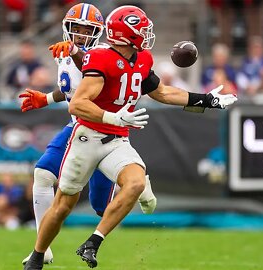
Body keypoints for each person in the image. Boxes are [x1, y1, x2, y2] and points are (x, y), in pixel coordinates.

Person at [23, 5, 237, 269]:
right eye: (142, 29)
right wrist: (52, 96)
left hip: (116, 138)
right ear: (127, 34)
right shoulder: (98, 56)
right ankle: (38, 254)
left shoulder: (140, 58)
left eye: (86, 30)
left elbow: (162, 92)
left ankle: (94, 241)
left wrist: (207, 100)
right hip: (86, 133)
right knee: (61, 198)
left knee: (109, 202)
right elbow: (77, 98)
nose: (147, 34)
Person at [19, 3, 157, 265]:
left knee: (102, 208)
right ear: (66, 28)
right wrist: (46, 98)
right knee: (43, 174)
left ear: (99, 31)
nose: (81, 34)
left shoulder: (104, 52)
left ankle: (139, 183)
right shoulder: (66, 52)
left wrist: (75, 52)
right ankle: (42, 247)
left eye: (87, 30)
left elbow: (93, 70)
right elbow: (72, 89)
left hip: (105, 129)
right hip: (80, 127)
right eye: (76, 29)